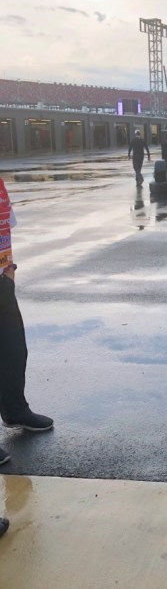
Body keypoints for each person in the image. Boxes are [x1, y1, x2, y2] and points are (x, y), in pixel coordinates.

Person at [0, 177, 53, 470]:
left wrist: (8, 270)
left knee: (13, 349)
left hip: (2, 279)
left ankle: (15, 410)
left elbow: (6, 225)